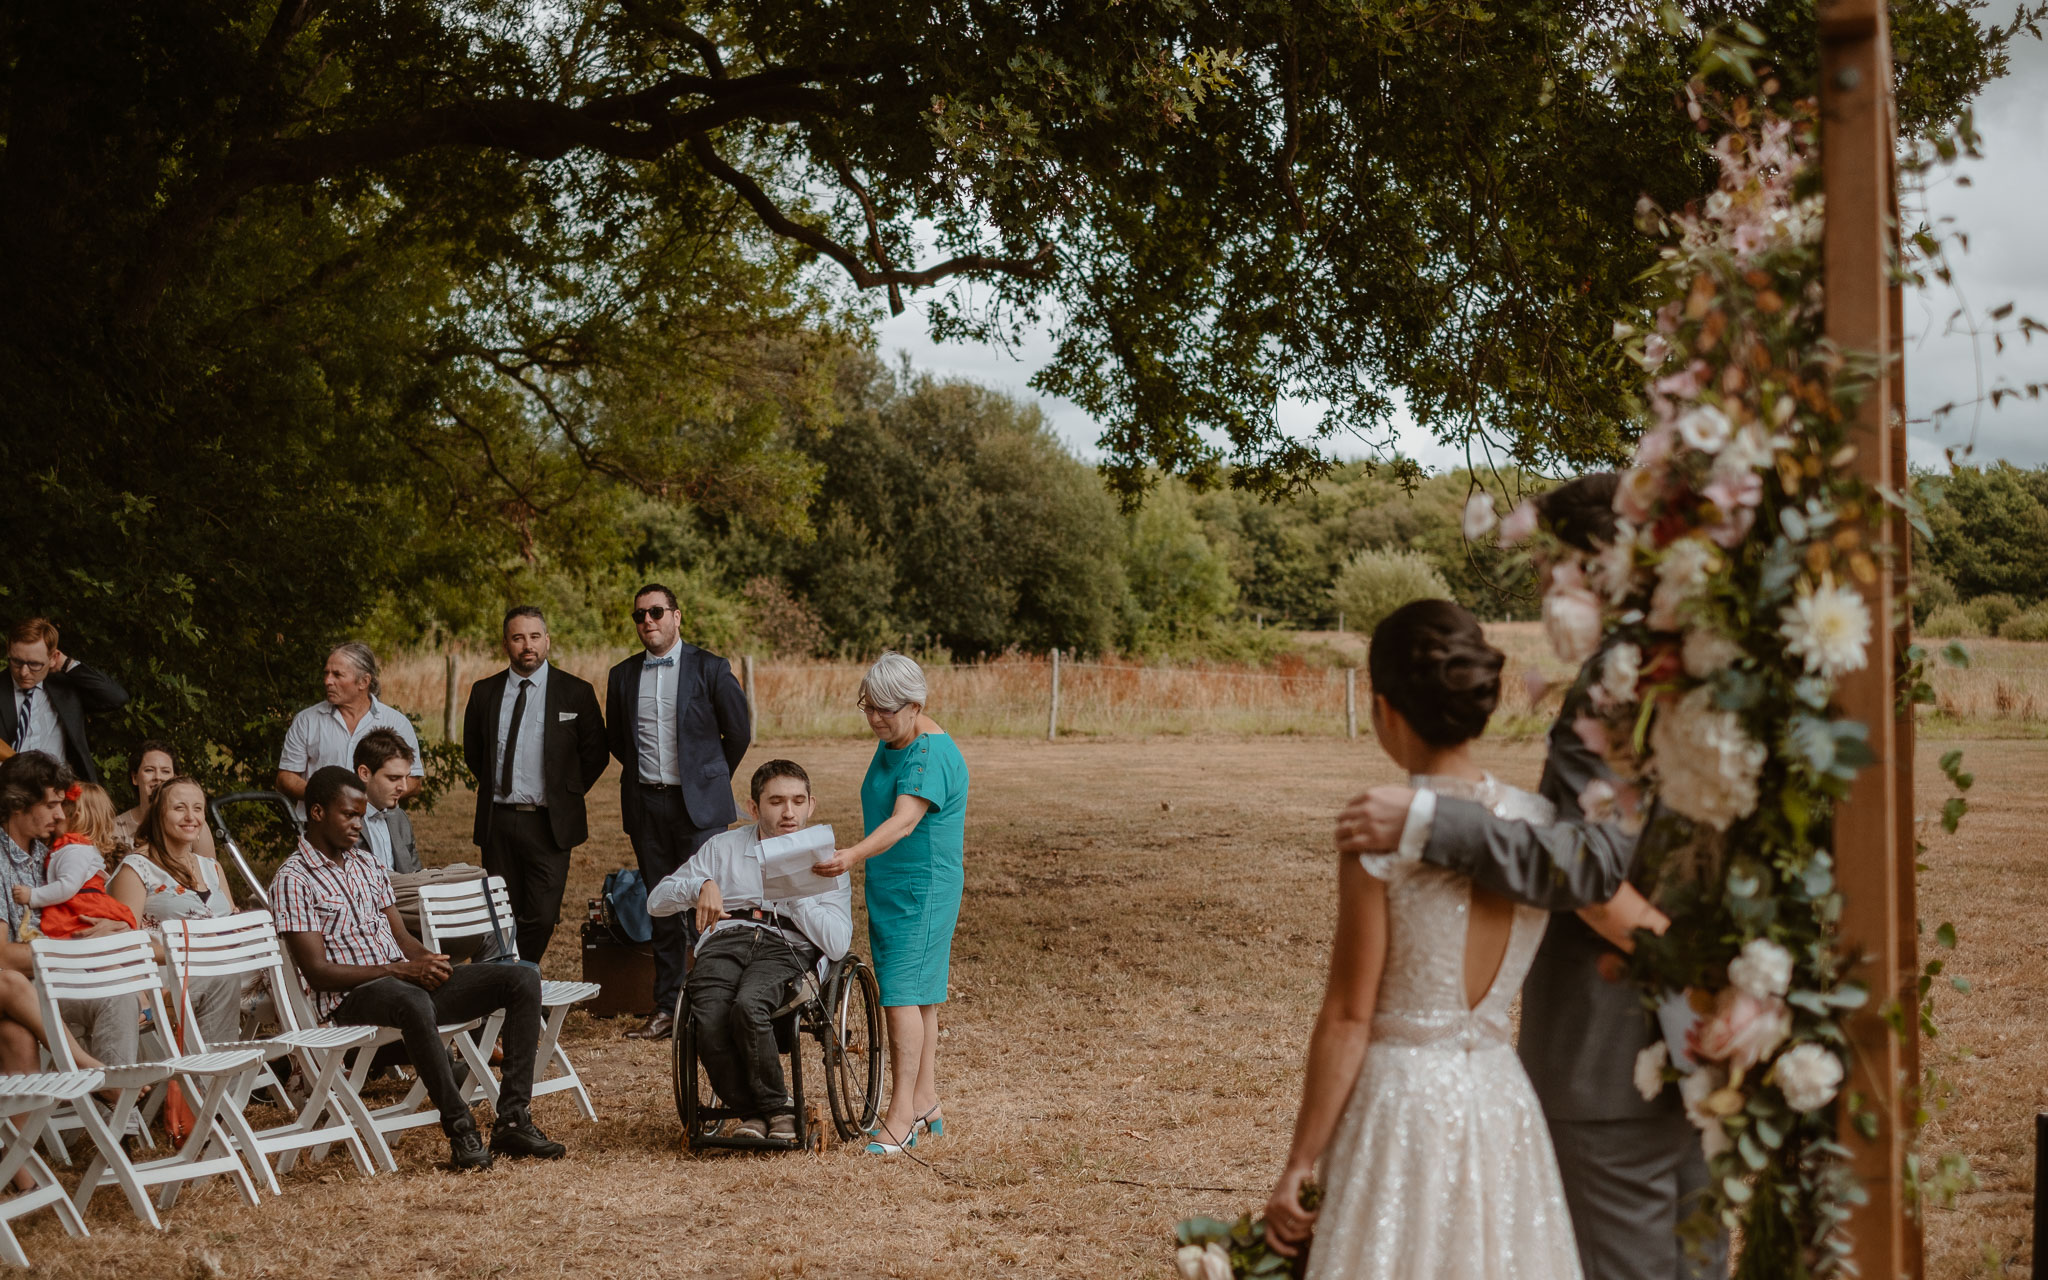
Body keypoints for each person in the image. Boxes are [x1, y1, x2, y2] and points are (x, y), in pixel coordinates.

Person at [1332, 477, 1729, 1280]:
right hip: (1707, 1038)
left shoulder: (1617, 685)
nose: (1546, 589)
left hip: (1609, 1054)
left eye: (1553, 569)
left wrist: (1437, 823)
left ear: (1598, 566)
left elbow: (1589, 869)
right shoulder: (1711, 669)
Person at [1263, 600, 1668, 1278]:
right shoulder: (1539, 823)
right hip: (1500, 1097)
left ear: (1386, 709)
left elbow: (1348, 1017)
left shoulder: (1378, 834)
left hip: (1402, 1104)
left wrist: (1299, 1164)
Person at [270, 766, 564, 1171]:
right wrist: (397, 971)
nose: (358, 825)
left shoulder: (366, 866)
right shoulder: (293, 879)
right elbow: (318, 972)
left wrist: (426, 960)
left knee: (522, 978)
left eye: (360, 815)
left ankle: (513, 1119)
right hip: (351, 1000)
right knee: (411, 1000)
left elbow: (400, 939)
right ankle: (461, 1130)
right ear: (317, 812)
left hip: (401, 984)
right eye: (348, 815)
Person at [811, 653, 967, 1155]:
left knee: (900, 994)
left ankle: (901, 1117)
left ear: (915, 705)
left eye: (886, 709)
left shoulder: (926, 755)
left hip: (922, 888)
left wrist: (851, 855)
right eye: (868, 707)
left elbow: (903, 822)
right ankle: (926, 1102)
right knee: (919, 996)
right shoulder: (895, 741)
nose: (876, 717)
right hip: (893, 883)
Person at [648, 759, 851, 1143]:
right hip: (728, 937)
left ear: (812, 805)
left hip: (785, 945)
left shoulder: (829, 859)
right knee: (707, 1013)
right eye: (776, 802)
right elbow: (656, 902)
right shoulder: (722, 847)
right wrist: (700, 886)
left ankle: (775, 1109)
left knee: (748, 1005)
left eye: (797, 801)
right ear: (754, 808)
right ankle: (756, 1112)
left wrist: (798, 893)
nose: (788, 812)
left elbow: (839, 942)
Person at [605, 583, 750, 1039]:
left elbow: (739, 731)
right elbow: (618, 741)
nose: (648, 621)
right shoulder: (622, 675)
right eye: (639, 616)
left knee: (711, 905)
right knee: (662, 905)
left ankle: (713, 1004)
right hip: (647, 804)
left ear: (676, 616)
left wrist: (707, 776)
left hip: (700, 807)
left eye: (656, 612)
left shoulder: (711, 667)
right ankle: (667, 1007)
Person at [463, 606, 608, 963]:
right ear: (506, 644)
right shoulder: (485, 693)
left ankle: (519, 976)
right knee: (500, 913)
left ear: (547, 641)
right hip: (498, 820)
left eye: (534, 636)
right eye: (518, 637)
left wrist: (564, 794)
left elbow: (596, 754)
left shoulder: (576, 692)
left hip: (549, 822)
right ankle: (508, 984)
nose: (527, 645)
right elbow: (474, 753)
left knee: (542, 915)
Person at [106, 775, 246, 1052]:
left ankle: (311, 1069)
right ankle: (212, 1085)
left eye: (197, 808)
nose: (191, 817)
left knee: (293, 964)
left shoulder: (211, 868)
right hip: (169, 973)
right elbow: (125, 945)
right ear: (159, 814)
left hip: (224, 964)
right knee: (223, 979)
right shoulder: (137, 868)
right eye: (179, 808)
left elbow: (231, 918)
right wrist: (192, 949)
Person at [276, 642, 422, 816]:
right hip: (320, 829)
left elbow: (413, 781)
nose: (327, 681)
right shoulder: (306, 721)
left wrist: (371, 800)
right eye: (326, 673)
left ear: (364, 681)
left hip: (379, 826)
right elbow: (285, 778)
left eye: (337, 675)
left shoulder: (396, 723)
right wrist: (327, 798)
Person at [2, 617, 128, 784]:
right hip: (8, 790)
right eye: (17, 662)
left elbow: (116, 697)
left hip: (58, 790)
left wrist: (66, 664)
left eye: (35, 664)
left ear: (53, 658)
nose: (24, 672)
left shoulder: (65, 688)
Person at [24, 782, 139, 939]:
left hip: (80, 906)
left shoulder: (75, 849)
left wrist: (32, 896)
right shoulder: (77, 848)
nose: (56, 815)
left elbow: (67, 886)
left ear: (74, 816)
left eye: (59, 807)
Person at [114, 740, 218, 860]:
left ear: (175, 778)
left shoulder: (192, 824)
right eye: (149, 770)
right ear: (135, 778)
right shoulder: (115, 828)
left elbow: (210, 874)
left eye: (165, 771)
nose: (158, 777)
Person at [351, 729, 422, 874]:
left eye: (406, 777)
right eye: (393, 778)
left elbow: (415, 875)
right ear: (364, 773)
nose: (404, 787)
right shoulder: (343, 820)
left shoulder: (400, 818)